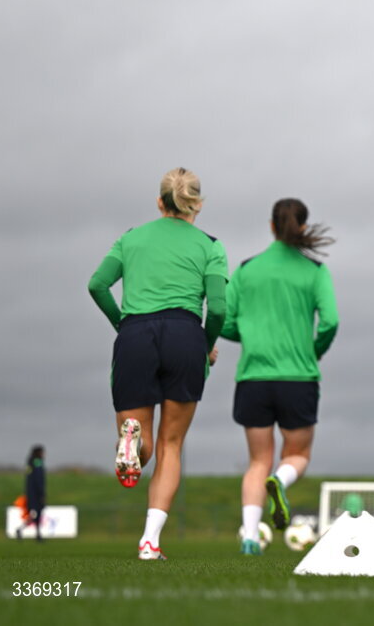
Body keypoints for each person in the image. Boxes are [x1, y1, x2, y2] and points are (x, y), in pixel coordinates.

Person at [88, 167, 228, 560]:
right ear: (197, 204)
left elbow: (97, 284)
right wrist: (206, 345)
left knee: (142, 444)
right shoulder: (210, 246)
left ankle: (131, 440)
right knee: (171, 445)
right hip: (185, 336)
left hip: (135, 336)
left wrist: (124, 325)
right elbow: (217, 308)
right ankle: (150, 542)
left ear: (158, 201)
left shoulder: (131, 238)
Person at [219, 198, 337, 555]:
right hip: (298, 377)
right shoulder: (315, 271)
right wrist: (311, 351)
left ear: (272, 226)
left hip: (253, 376)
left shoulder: (246, 269)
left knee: (257, 461)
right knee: (297, 455)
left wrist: (251, 338)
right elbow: (331, 321)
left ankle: (251, 537)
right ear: (302, 227)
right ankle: (281, 481)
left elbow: (223, 320)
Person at [16, 445, 46, 542]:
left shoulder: (29, 463)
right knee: (35, 513)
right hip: (35, 494)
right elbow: (38, 480)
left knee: (34, 514)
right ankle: (23, 530)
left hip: (31, 493)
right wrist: (41, 493)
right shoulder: (37, 463)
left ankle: (37, 534)